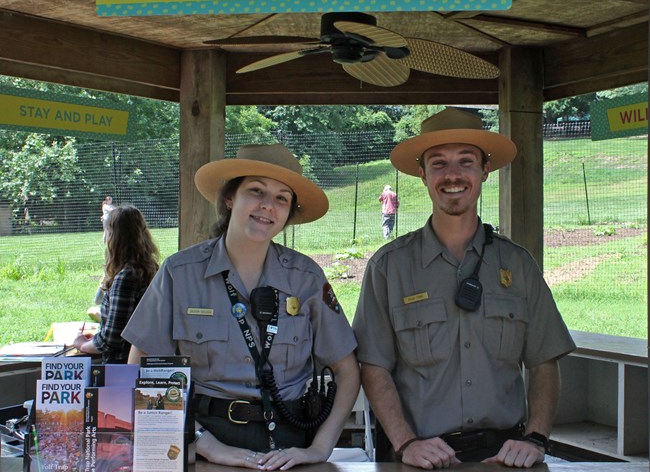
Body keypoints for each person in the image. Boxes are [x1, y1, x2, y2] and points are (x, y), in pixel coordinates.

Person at [353, 107, 576, 469]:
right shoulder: (389, 267)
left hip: (504, 456)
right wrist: (406, 442)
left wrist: (535, 438)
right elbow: (373, 365)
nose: (452, 175)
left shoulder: (517, 265)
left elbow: (544, 359)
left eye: (466, 161)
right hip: (418, 458)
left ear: (485, 171)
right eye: (438, 163)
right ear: (422, 174)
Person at [122, 143, 360, 470]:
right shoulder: (180, 273)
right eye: (256, 191)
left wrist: (319, 448)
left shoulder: (305, 278)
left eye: (281, 198)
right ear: (230, 198)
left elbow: (347, 371)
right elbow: (141, 366)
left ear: (289, 213)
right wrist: (205, 444)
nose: (267, 206)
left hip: (289, 448)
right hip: (204, 445)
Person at [73, 204, 160, 363]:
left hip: (122, 369)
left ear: (115, 237)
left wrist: (82, 344)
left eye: (107, 232)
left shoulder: (127, 277)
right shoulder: (151, 269)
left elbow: (111, 340)